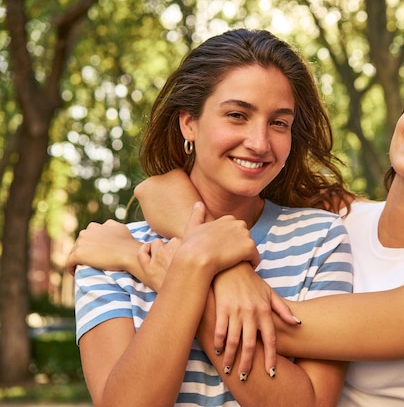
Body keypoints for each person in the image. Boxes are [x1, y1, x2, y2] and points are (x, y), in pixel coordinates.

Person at [69, 51, 404, 406]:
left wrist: (156, 266)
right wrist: (213, 261)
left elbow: (277, 326)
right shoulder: (337, 215)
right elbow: (161, 188)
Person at [70, 28, 356, 407]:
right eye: (237, 115)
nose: (259, 142)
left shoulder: (321, 239)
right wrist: (210, 269)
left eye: (279, 123)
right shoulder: (109, 257)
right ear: (189, 122)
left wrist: (189, 272)